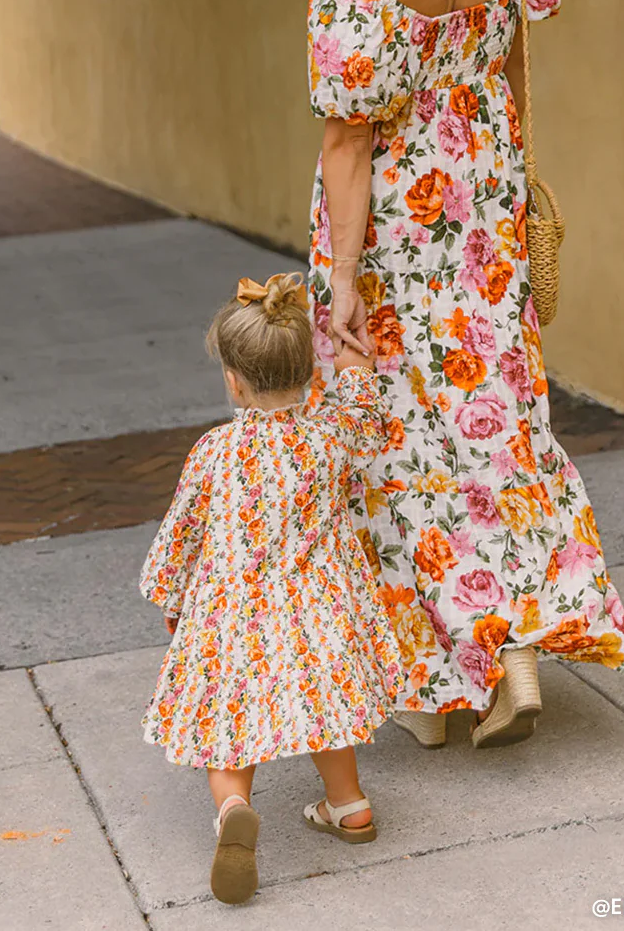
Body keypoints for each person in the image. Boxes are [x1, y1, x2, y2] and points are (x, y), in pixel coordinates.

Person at [267, 0, 624, 751]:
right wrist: (509, 187)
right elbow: (517, 54)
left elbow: (348, 142)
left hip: (397, 232)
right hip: (483, 210)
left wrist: (338, 278)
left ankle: (440, 679)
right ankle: (507, 652)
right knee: (498, 423)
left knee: (404, 445)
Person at [139, 272, 401, 906]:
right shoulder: (329, 438)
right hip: (321, 611)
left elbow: (184, 532)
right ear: (313, 376)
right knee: (327, 707)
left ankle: (233, 809)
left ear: (233, 380)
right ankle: (350, 806)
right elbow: (367, 417)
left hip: (234, 615)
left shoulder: (213, 452)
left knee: (228, 722)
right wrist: (354, 358)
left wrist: (172, 598)